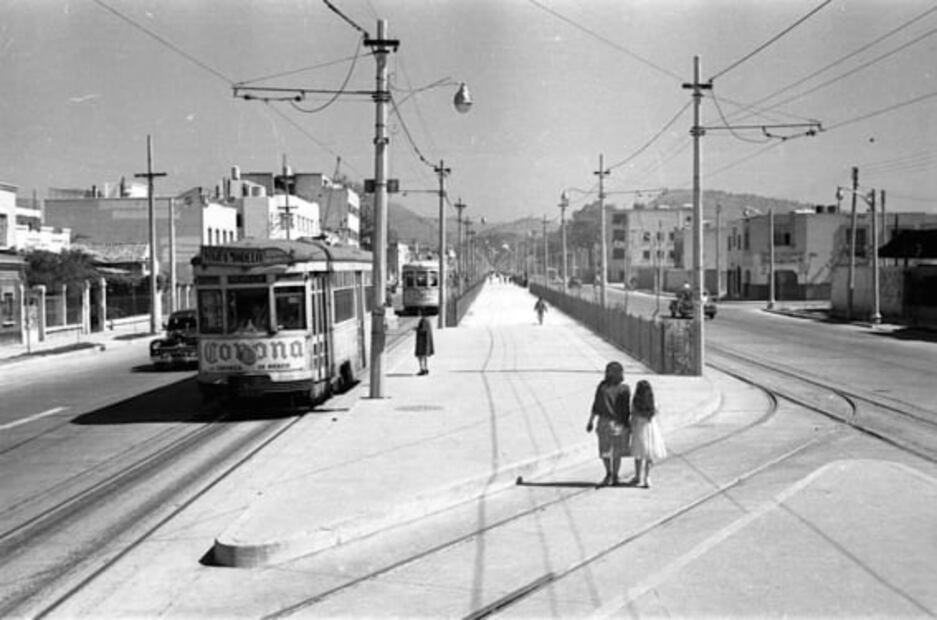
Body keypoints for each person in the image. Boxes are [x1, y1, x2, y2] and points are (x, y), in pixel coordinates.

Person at [586, 361, 632, 487]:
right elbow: (626, 409)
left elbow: (596, 405)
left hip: (604, 422)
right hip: (619, 424)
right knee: (617, 452)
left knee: (604, 450)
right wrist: (628, 425)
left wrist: (590, 421)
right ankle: (615, 475)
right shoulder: (625, 389)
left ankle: (608, 473)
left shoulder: (602, 387)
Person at [628, 379, 668, 488]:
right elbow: (656, 412)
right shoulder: (652, 402)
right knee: (649, 454)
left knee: (638, 453)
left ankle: (638, 476)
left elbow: (633, 416)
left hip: (639, 428)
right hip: (651, 429)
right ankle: (647, 477)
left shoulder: (636, 402)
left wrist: (631, 428)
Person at [414, 309, 434, 375]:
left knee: (420, 356)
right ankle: (425, 368)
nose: (419, 313)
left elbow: (422, 330)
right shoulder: (428, 320)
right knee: (424, 356)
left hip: (422, 342)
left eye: (420, 312)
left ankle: (422, 369)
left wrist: (416, 329)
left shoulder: (423, 320)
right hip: (426, 342)